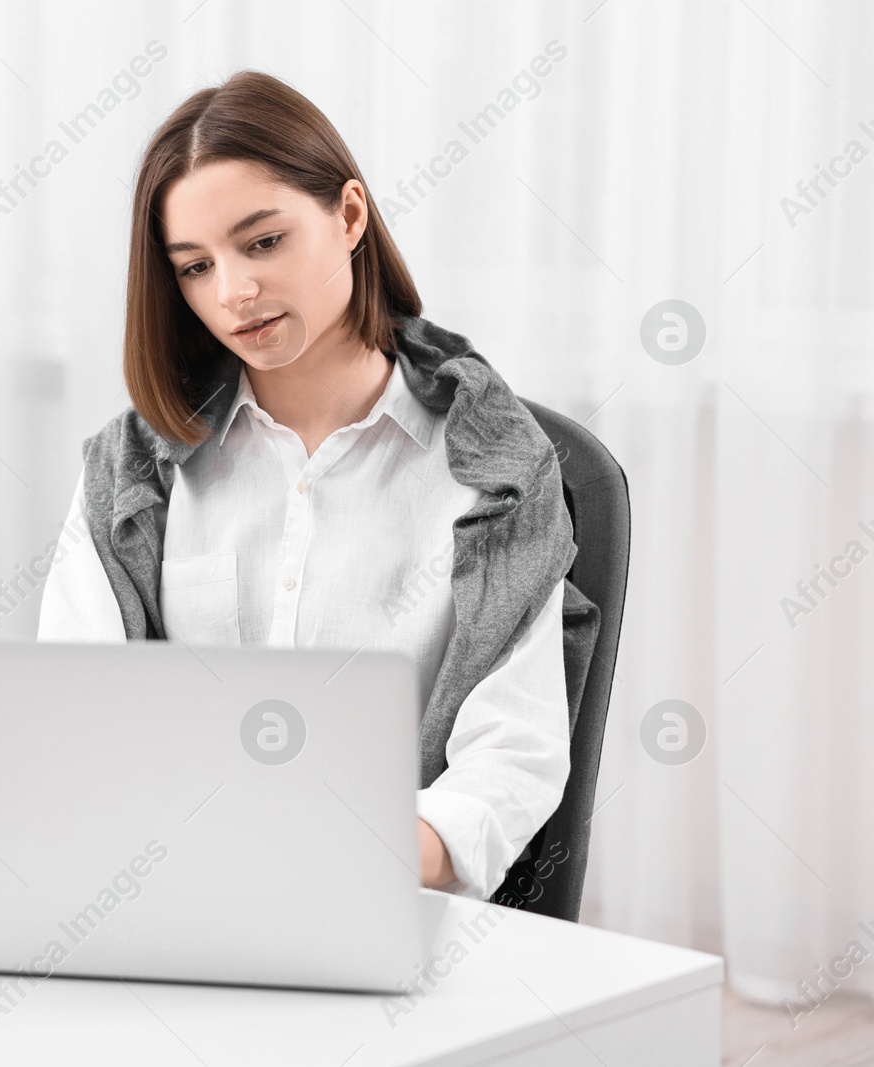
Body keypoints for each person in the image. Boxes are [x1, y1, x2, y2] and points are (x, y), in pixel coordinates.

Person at [37, 71, 579, 901]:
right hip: (176, 893)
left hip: (388, 902)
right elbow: (71, 711)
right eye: (193, 267)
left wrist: (367, 857)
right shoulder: (135, 467)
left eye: (262, 242)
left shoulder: (496, 470)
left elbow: (515, 750)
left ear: (349, 216)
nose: (232, 293)